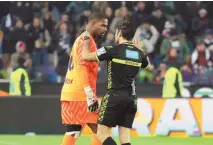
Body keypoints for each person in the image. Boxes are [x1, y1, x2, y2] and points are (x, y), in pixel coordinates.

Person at [82, 20, 149, 145]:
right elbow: (147, 65)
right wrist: (140, 51)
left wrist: (86, 40)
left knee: (102, 134)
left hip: (114, 96)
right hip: (131, 99)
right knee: (125, 138)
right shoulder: (139, 53)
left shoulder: (112, 49)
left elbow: (86, 56)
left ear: (118, 33)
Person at [60, 12, 108, 145]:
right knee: (101, 129)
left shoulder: (80, 39)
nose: (105, 29)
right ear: (93, 24)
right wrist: (89, 93)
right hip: (81, 94)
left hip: (70, 91)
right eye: (102, 25)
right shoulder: (87, 41)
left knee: (73, 130)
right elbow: (81, 68)